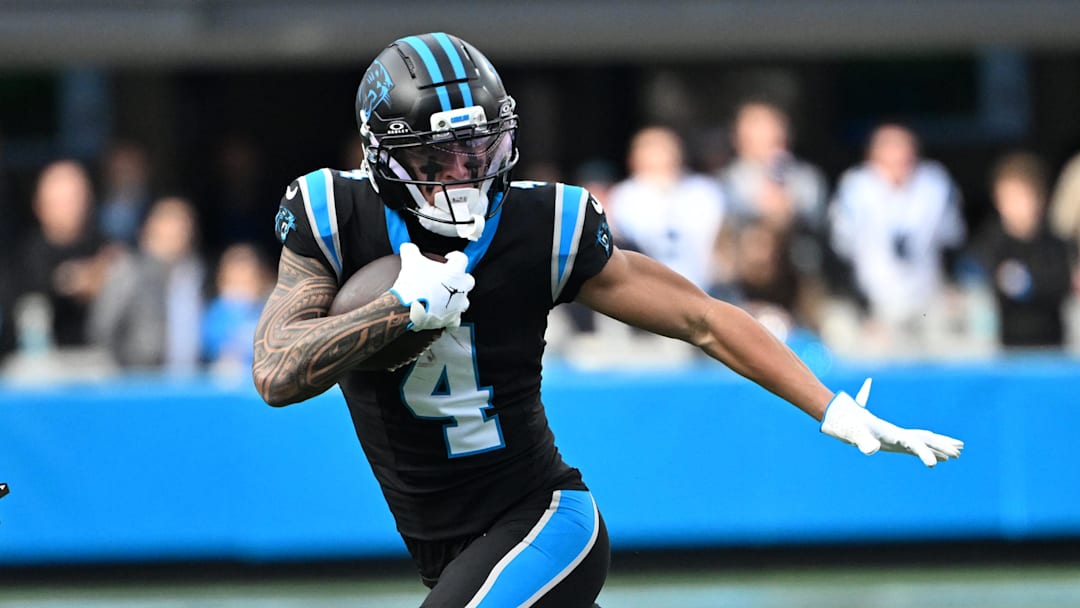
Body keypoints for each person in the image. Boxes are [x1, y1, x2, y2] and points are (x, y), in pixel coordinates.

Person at [252, 33, 963, 608]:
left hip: (543, 522)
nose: (468, 172)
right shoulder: (334, 215)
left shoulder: (542, 223)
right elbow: (276, 370)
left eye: (480, 148)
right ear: (385, 158)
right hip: (448, 546)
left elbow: (702, 317)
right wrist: (395, 311)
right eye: (442, 155)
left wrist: (830, 406)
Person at [829, 123, 967, 353]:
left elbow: (952, 243)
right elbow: (840, 253)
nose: (898, 156)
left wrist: (950, 285)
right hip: (875, 305)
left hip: (927, 301)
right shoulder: (856, 188)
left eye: (903, 148)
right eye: (889, 148)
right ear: (873, 154)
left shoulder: (935, 184)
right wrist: (861, 307)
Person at [90, 196, 205, 372]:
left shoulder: (196, 275)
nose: (176, 230)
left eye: (183, 223)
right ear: (151, 227)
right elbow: (102, 329)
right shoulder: (128, 272)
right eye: (169, 221)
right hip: (139, 380)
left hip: (193, 380)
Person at [607, 126, 726, 292]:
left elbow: (721, 247)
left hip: (703, 288)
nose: (660, 156)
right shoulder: (623, 197)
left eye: (664, 148)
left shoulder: (705, 192)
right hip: (645, 290)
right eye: (651, 149)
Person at [973, 152, 1072, 348]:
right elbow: (980, 286)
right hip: (1006, 348)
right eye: (1009, 197)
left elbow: (1061, 286)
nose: (1017, 205)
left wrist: (1030, 284)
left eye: (1023, 196)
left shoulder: (1055, 244)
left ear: (1040, 197)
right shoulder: (990, 244)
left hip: (1051, 345)